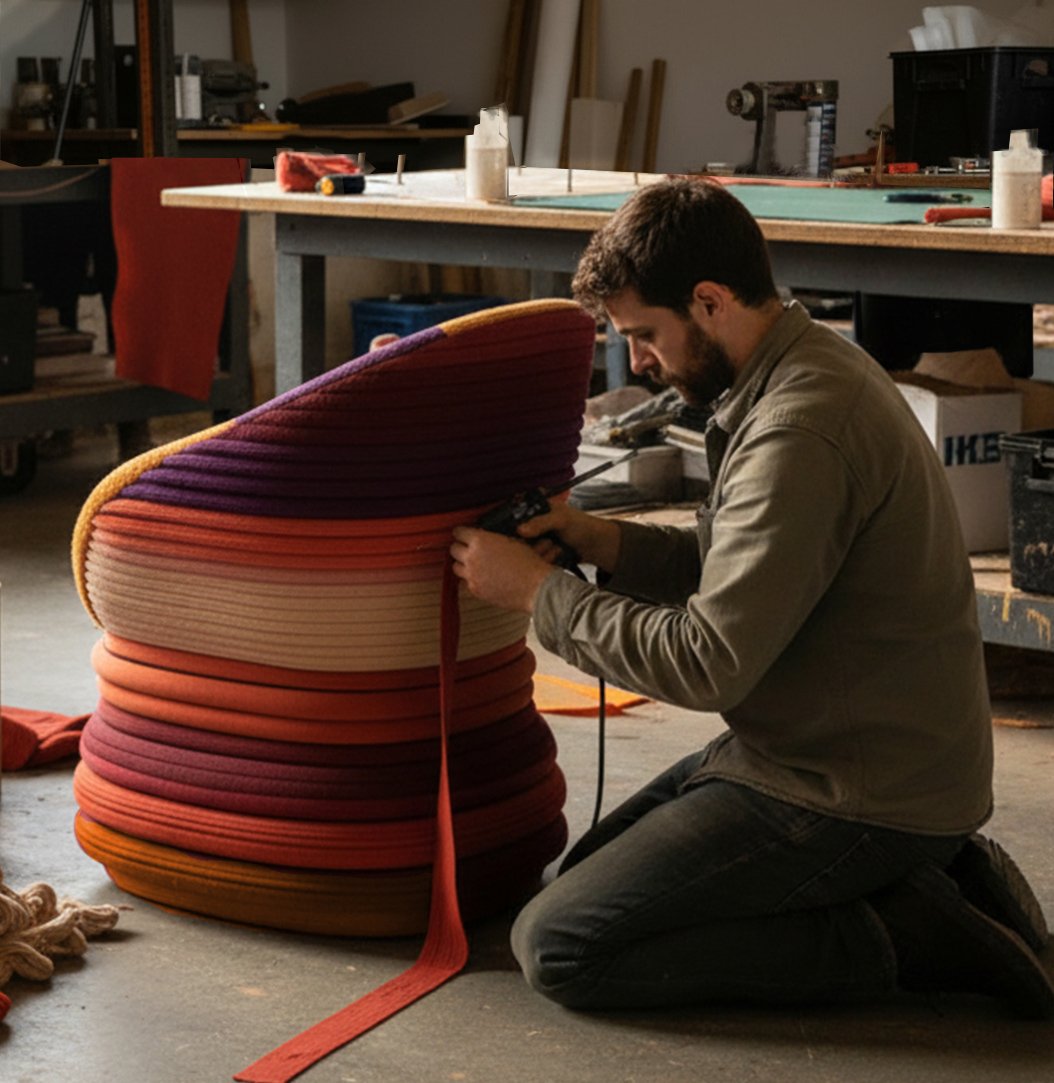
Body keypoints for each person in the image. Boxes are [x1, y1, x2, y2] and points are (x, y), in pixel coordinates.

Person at [449, 177, 1052, 1017]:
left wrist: (541, 594)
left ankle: (907, 931)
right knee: (574, 885)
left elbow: (709, 663)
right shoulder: (793, 368)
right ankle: (916, 883)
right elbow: (748, 561)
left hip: (854, 788)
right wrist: (606, 542)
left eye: (645, 335)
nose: (638, 362)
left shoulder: (799, 428)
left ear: (709, 300)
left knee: (563, 944)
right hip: (815, 745)